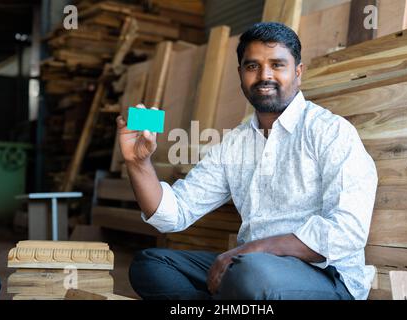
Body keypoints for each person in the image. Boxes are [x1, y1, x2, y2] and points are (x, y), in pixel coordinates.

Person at [116, 22, 378, 300]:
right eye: (252, 66)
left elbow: (346, 232)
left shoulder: (330, 131)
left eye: (278, 65)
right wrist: (138, 163)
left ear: (298, 73)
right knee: (151, 264)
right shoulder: (235, 143)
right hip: (249, 271)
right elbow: (176, 212)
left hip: (325, 278)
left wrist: (248, 251)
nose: (265, 75)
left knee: (249, 276)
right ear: (240, 74)